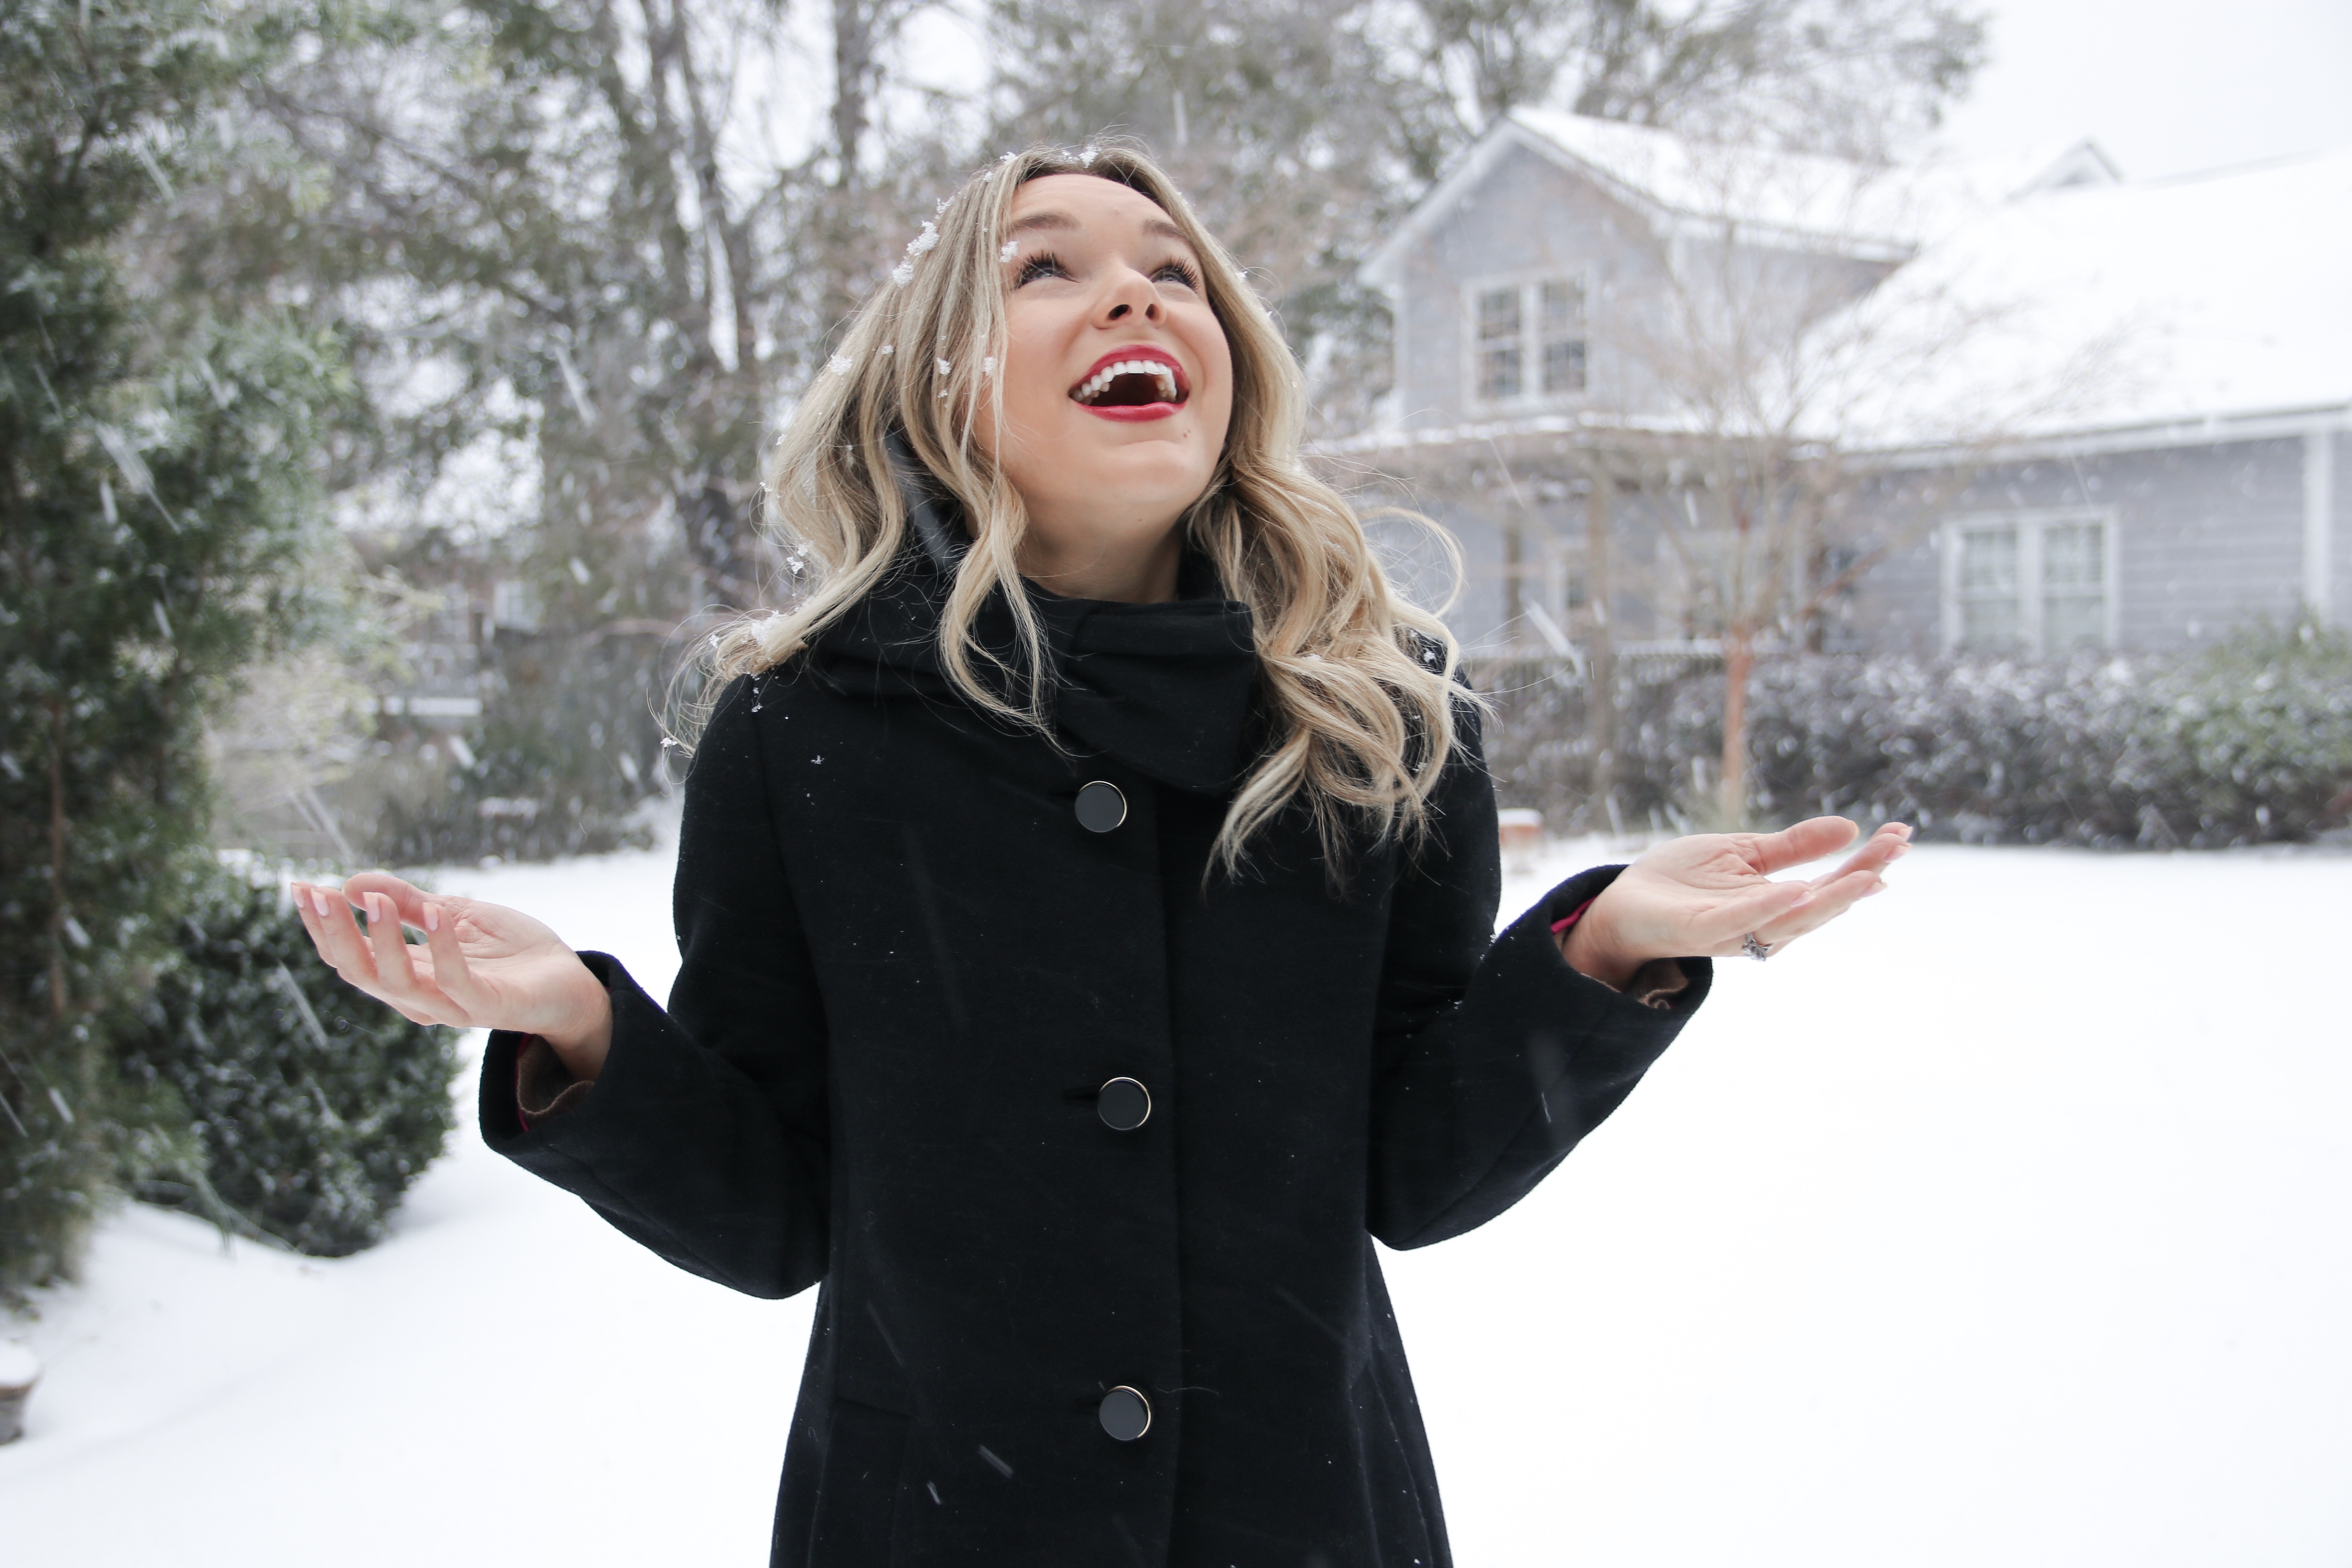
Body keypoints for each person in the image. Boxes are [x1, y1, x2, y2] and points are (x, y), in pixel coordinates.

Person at [290, 143, 1909, 1567]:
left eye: (1174, 273)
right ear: (937, 384)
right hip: (928, 1523)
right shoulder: (804, 731)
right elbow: (777, 1210)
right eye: (1044, 269)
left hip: (1307, 1521)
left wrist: (1610, 947)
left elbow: (1413, 1167)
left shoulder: (1376, 717)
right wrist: (579, 1025)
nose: (1134, 299)